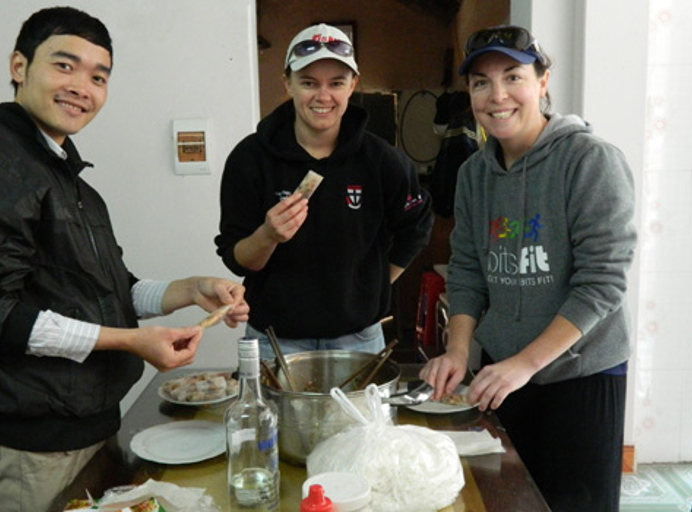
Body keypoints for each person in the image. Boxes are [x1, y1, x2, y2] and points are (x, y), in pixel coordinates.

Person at [0, 7, 249, 511]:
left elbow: (115, 290)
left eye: (97, 76)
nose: (81, 87)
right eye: (63, 66)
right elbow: (4, 315)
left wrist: (189, 289)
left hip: (89, 427)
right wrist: (133, 343)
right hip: (35, 444)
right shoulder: (9, 163)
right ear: (19, 66)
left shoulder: (72, 184)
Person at [419, 25, 636, 512]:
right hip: (502, 374)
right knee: (504, 499)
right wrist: (457, 351)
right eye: (480, 82)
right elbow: (469, 269)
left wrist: (524, 365)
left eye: (512, 76)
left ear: (542, 81)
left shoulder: (590, 161)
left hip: (581, 377)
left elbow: (602, 284)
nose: (497, 96)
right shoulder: (475, 173)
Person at [216, 24, 433, 360]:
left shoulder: (382, 160)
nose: (323, 96)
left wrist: (373, 286)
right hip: (274, 340)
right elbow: (237, 258)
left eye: (336, 83)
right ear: (287, 83)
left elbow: (416, 226)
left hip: (359, 338)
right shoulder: (250, 158)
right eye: (308, 83)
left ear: (352, 86)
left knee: (357, 416)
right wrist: (268, 235)